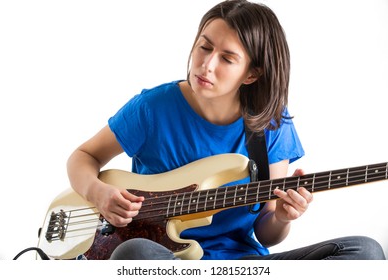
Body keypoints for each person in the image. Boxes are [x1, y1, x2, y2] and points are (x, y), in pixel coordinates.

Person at [67, 0, 385, 260]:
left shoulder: (271, 125)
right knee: (133, 253)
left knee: (366, 252)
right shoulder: (152, 108)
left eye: (227, 58)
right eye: (204, 48)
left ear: (252, 74)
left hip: (241, 265)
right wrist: (99, 193)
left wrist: (282, 219)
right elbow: (83, 156)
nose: (206, 65)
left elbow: (266, 232)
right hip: (166, 261)